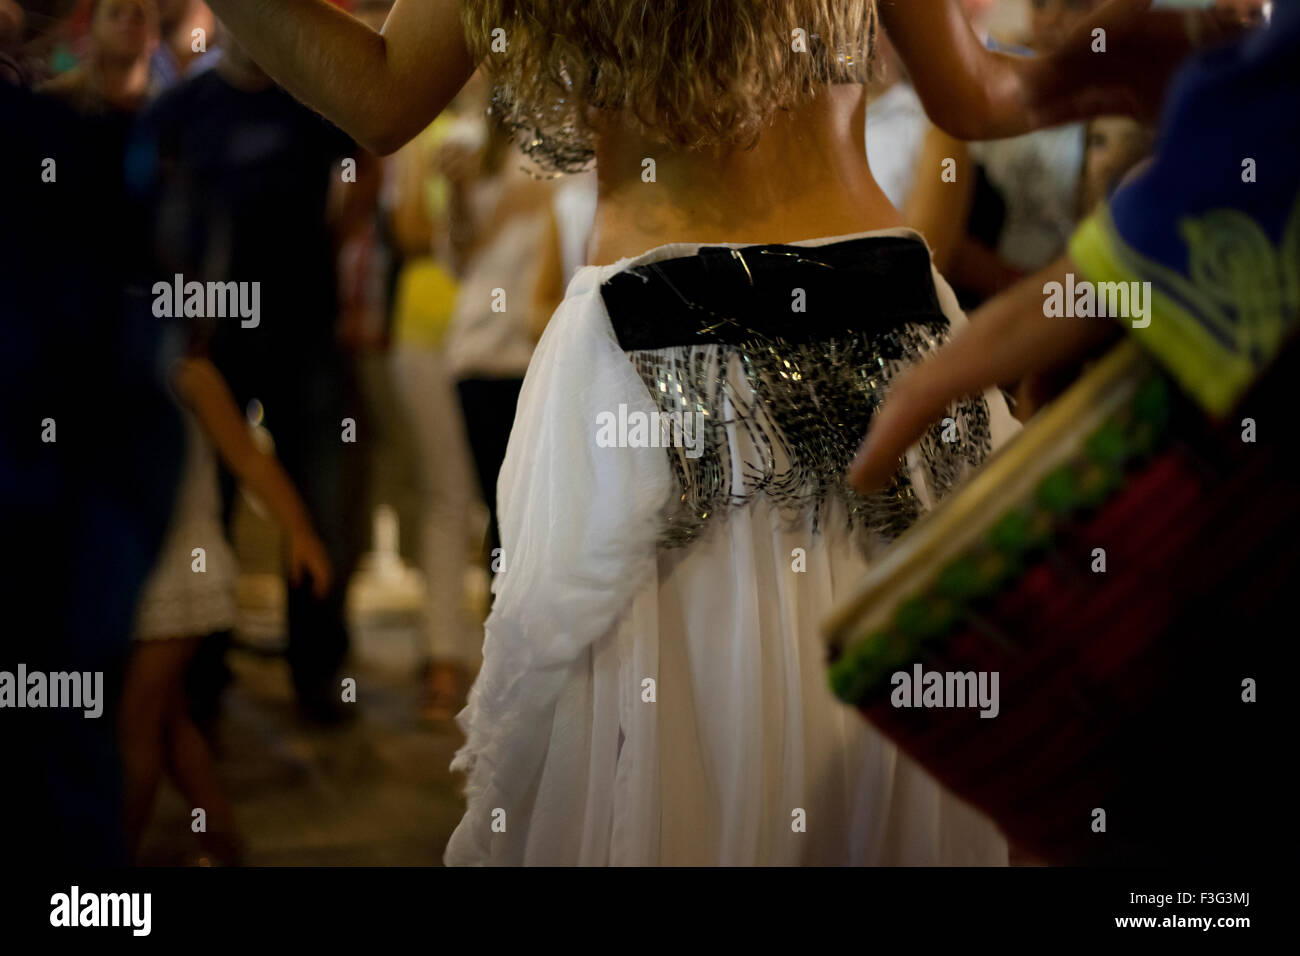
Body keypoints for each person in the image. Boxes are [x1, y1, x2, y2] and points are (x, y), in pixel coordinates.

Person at [203, 0, 1234, 865]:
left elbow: (381, 95)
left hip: (670, 353)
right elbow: (978, 90)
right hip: (882, 326)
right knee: (883, 757)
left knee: (684, 770)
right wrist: (1152, 73)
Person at [130, 31, 364, 723]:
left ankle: (318, 674)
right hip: (217, 337)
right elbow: (150, 202)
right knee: (210, 503)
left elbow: (364, 164)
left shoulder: (310, 99)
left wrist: (340, 237)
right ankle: (204, 676)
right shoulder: (183, 106)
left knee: (319, 503)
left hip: (305, 330)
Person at [122, 353, 332, 864]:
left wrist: (300, 530)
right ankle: (223, 839)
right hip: (130, 567)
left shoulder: (188, 373)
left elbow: (249, 458)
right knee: (167, 724)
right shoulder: (90, 355)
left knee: (134, 729)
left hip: (179, 574)